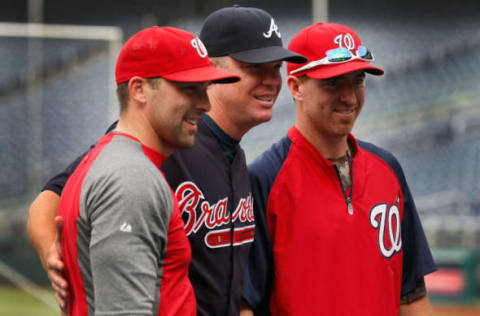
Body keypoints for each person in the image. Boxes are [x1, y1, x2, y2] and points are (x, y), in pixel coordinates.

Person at [26, 6, 306, 316]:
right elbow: (53, 196)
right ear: (212, 69)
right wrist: (52, 252)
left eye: (276, 68)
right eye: (255, 67)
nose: (271, 80)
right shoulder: (162, 142)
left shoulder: (235, 154)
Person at [242, 22, 436, 316]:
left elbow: (411, 294)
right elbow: (247, 304)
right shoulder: (264, 178)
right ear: (296, 87)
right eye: (332, 83)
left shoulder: (388, 169)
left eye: (357, 80)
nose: (349, 97)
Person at [48, 26, 240, 315]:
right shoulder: (130, 178)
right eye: (189, 88)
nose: (205, 103)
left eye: (205, 89)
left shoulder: (115, 162)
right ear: (139, 89)